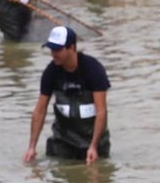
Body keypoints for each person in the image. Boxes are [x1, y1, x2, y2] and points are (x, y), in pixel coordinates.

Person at [23, 26, 110, 164]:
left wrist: (93, 146)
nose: (53, 54)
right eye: (51, 49)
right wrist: (31, 147)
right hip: (63, 143)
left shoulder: (93, 69)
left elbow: (101, 112)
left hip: (92, 141)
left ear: (72, 48)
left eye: (57, 50)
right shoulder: (51, 72)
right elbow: (40, 110)